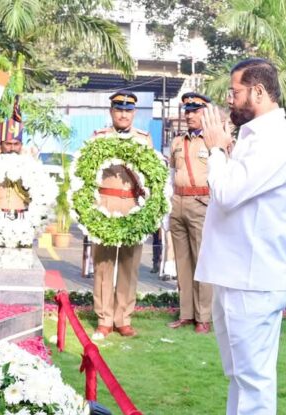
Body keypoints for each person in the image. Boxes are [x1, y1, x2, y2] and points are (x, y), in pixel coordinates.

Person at [195, 58, 286, 415]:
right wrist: (224, 147)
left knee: (253, 382)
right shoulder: (258, 134)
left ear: (258, 92)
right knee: (240, 377)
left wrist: (218, 150)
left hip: (253, 277)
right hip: (238, 272)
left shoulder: (275, 139)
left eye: (234, 91)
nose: (229, 99)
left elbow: (226, 192)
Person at [91, 91, 155, 340]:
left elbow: (151, 178)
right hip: (105, 203)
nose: (123, 114)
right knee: (104, 265)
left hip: (132, 205)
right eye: (119, 109)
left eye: (128, 110)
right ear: (111, 112)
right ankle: (104, 318)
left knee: (129, 265)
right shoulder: (99, 138)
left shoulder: (143, 139)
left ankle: (123, 318)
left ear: (134, 113)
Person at [166, 92, 214, 333]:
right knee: (182, 261)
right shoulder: (177, 141)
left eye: (195, 110)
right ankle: (186, 313)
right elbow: (171, 174)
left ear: (205, 112)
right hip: (179, 201)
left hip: (202, 202)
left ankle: (203, 316)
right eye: (187, 111)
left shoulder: (213, 141)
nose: (190, 115)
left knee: (202, 262)